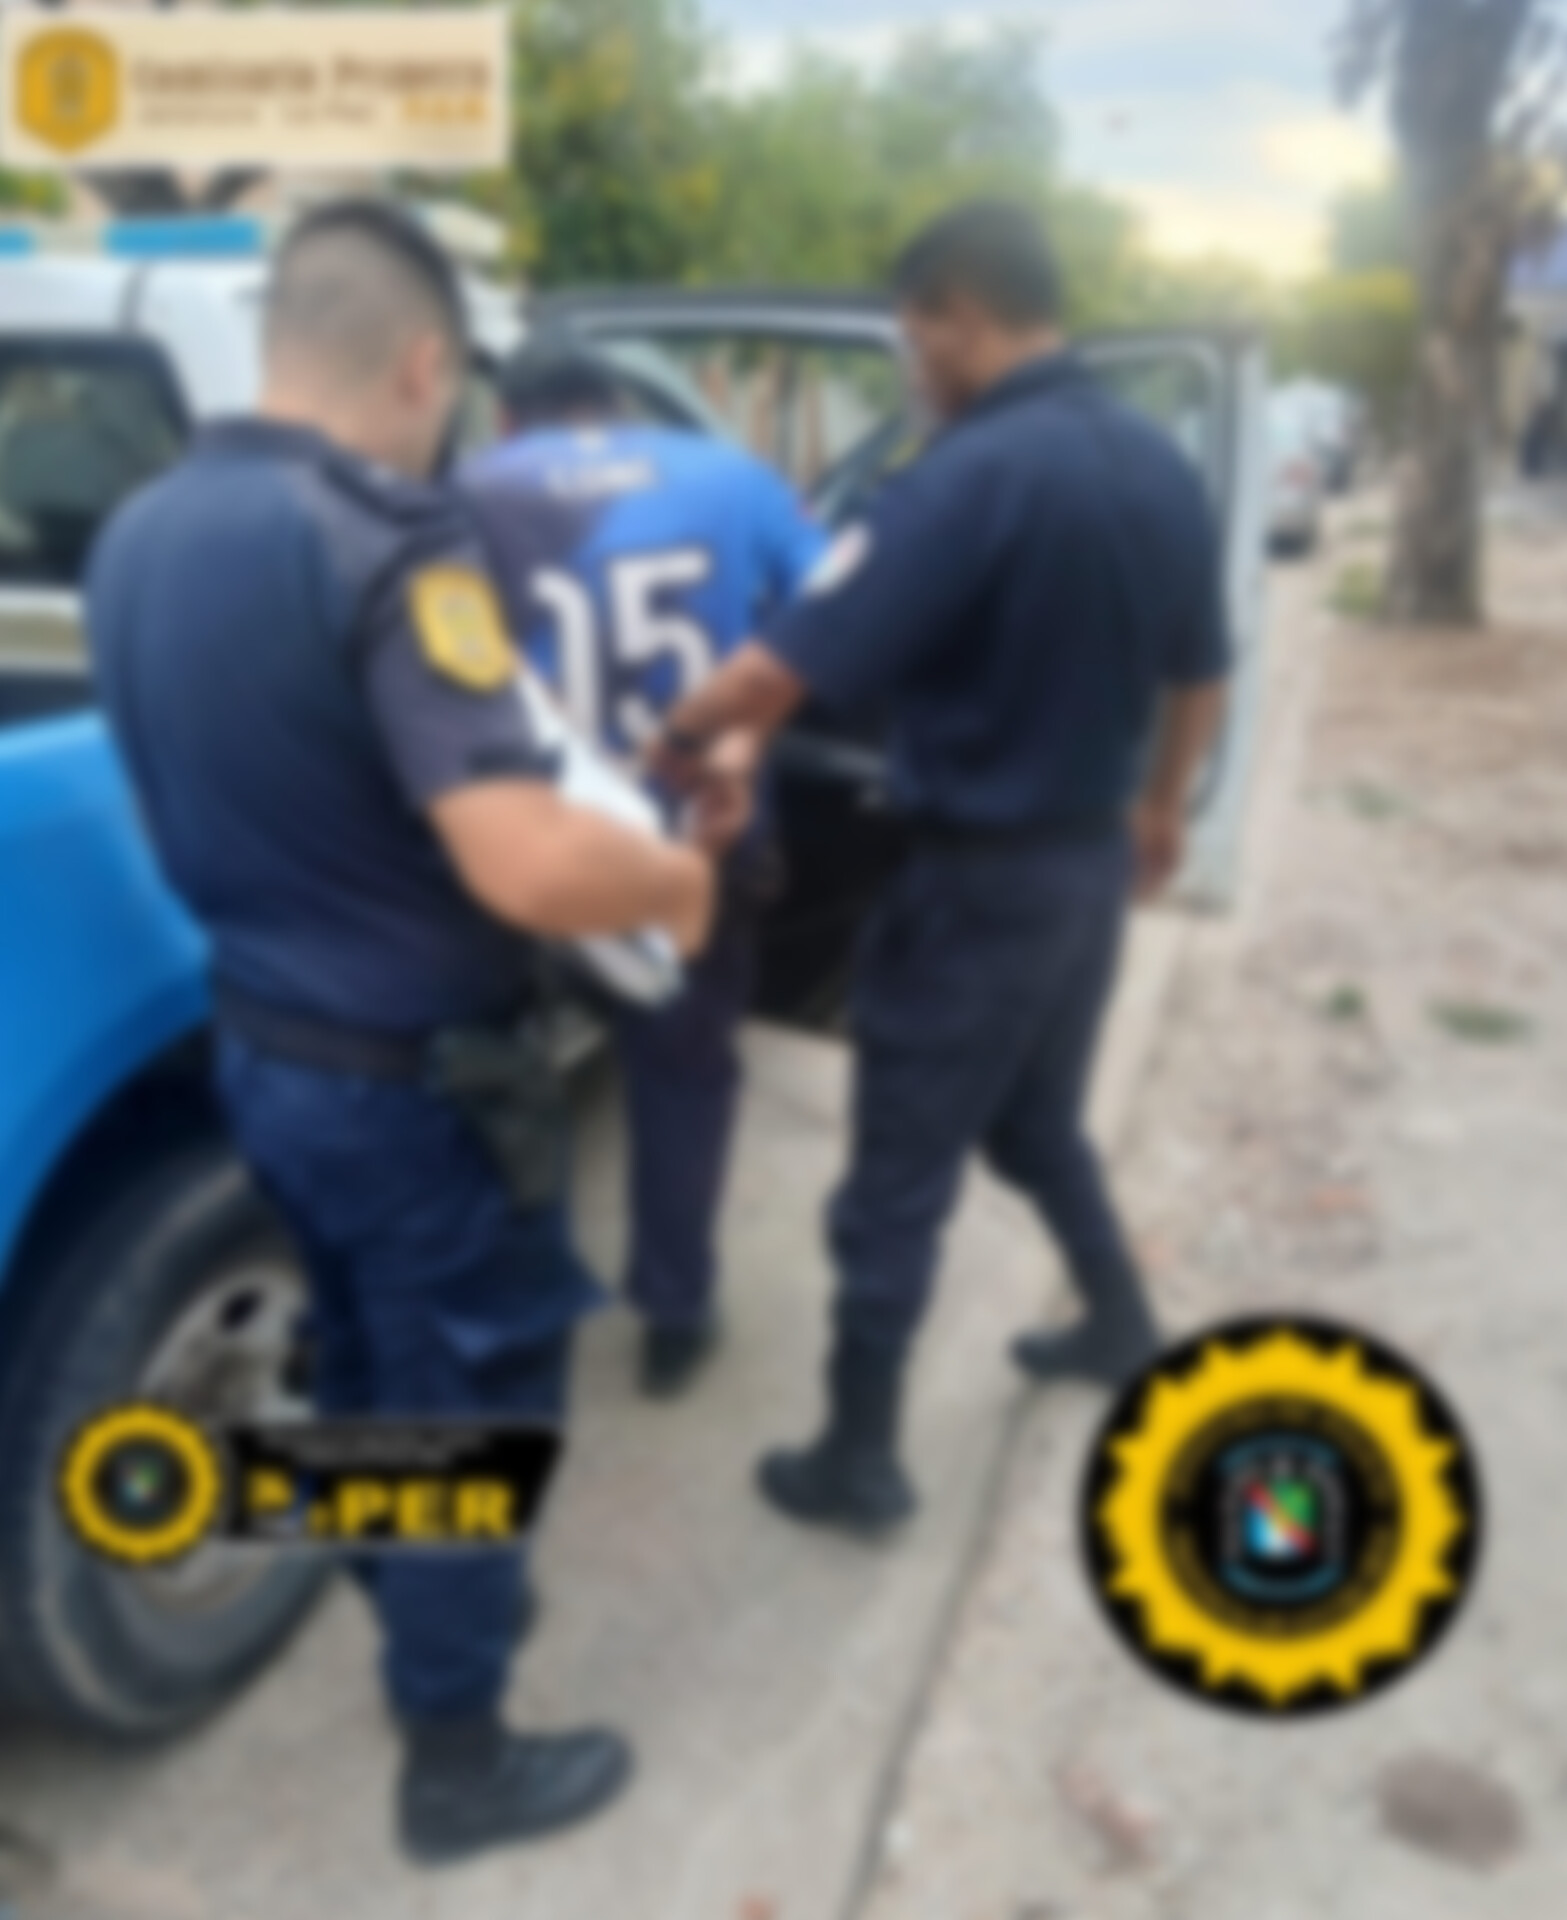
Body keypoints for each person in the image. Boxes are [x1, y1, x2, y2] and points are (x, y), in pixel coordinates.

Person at [88, 200, 713, 1865]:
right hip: (416, 1094)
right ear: (424, 361)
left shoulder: (139, 529)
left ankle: (424, 1603)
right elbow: (525, 861)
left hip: (262, 1056)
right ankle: (457, 1760)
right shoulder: (388, 541)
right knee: (479, 1404)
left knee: (369, 1369)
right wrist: (677, 882)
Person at [650, 199, 1230, 1539]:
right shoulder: (1156, 462)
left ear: (962, 317)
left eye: (913, 340)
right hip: (1085, 872)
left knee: (890, 1189)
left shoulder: (959, 479)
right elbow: (1202, 666)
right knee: (1032, 1126)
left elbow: (769, 671)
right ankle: (1120, 1323)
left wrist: (660, 748)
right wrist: (1162, 808)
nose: (909, 367)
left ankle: (857, 1460)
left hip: (972, 892)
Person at [464, 344, 823, 1397]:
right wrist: (744, 741)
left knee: (498, 1074)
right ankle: (673, 1312)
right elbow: (828, 621)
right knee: (681, 1080)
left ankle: (503, 1310)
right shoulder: (733, 476)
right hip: (692, 840)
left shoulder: (465, 495)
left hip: (531, 843)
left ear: (506, 418)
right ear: (619, 406)